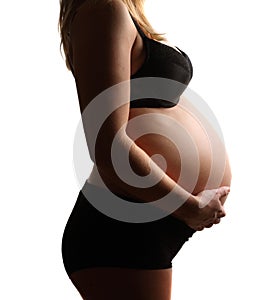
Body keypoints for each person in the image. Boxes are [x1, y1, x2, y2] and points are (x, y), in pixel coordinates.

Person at [59, 0, 232, 299]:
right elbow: (107, 146)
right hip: (118, 233)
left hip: (140, 223)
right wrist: (189, 208)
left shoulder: (119, 12)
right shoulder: (103, 8)